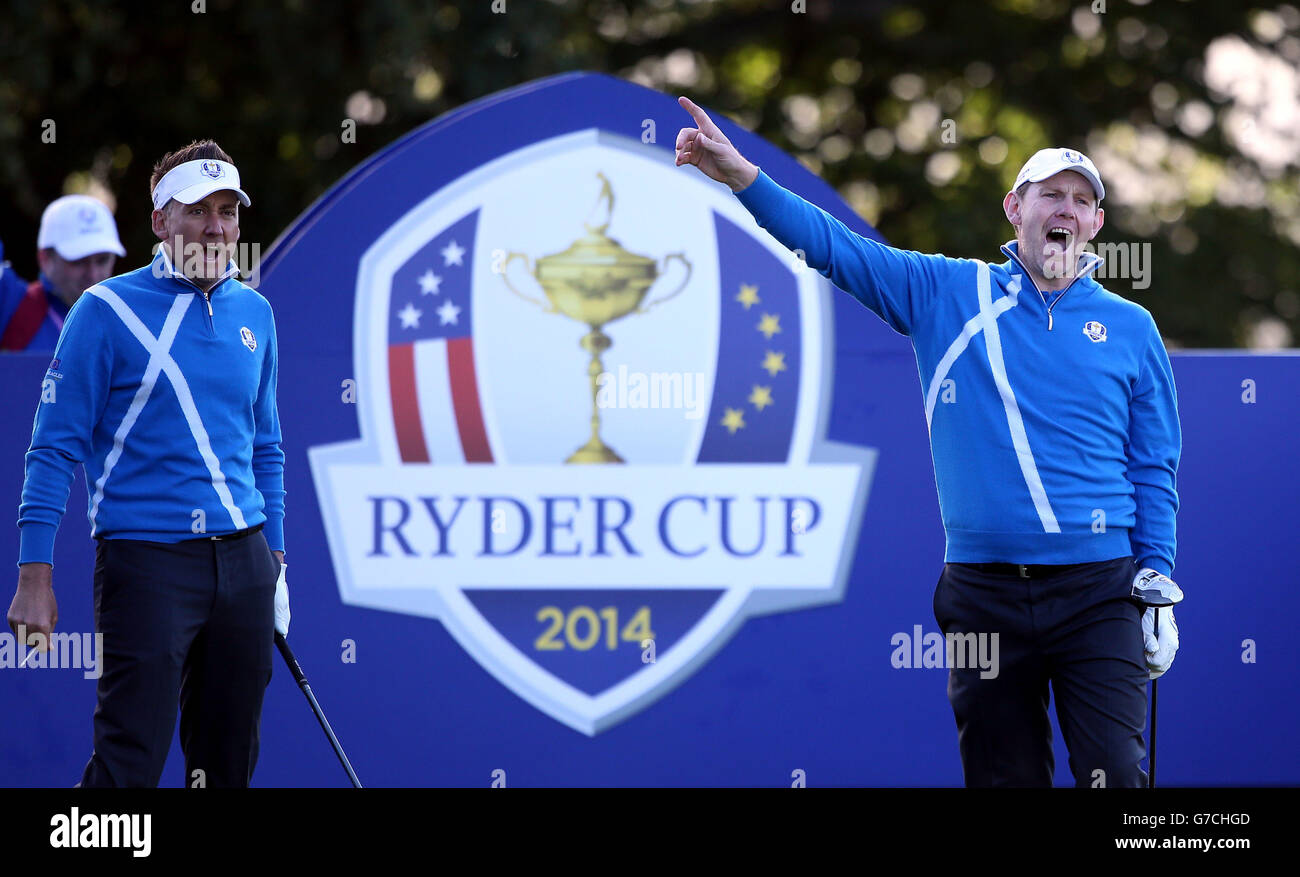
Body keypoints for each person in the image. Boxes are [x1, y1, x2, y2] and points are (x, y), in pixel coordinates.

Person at [675, 97, 1181, 788]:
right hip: (984, 595)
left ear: (1096, 223)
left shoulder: (1132, 326)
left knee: (1118, 775)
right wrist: (743, 178)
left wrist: (1156, 574)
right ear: (1015, 208)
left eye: (1081, 200)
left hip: (1101, 593)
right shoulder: (948, 291)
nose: (1065, 208)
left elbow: (1153, 464)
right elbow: (836, 249)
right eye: (1050, 194)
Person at [7, 139, 290, 788]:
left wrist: (275, 563)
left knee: (225, 766)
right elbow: (53, 448)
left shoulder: (256, 313)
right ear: (161, 221)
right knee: (128, 766)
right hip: (148, 560)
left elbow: (265, 447)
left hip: (245, 562)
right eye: (197, 210)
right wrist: (34, 573)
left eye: (228, 211)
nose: (216, 226)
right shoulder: (104, 312)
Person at [0, 195, 127, 352]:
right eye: (78, 261)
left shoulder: (129, 321)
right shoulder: (10, 303)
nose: (93, 275)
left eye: (102, 260)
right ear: (44, 258)